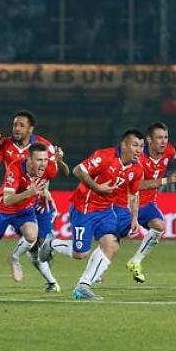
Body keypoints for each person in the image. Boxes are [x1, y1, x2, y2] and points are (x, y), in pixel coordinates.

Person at [40, 129, 145, 301]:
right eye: (135, 145)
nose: (139, 150)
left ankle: (83, 286)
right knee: (80, 254)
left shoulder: (137, 169)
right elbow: (77, 170)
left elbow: (133, 195)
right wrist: (97, 187)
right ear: (124, 145)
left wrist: (134, 217)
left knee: (111, 245)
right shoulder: (105, 156)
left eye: (141, 146)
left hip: (106, 211)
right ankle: (51, 244)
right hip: (84, 208)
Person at [0, 110, 69, 292]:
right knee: (32, 240)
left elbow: (59, 171)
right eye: (14, 125)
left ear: (30, 129)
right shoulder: (4, 144)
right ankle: (50, 280)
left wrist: (59, 164)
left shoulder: (44, 146)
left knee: (39, 245)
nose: (16, 128)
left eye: (21, 125)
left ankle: (47, 273)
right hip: (17, 199)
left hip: (39, 200)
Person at [0, 143, 58, 297]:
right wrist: (29, 193)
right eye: (39, 160)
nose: (43, 164)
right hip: (1, 210)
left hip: (24, 209)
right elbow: (7, 199)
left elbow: (46, 183)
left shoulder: (49, 168)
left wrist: (45, 195)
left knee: (31, 235)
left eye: (45, 159)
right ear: (28, 159)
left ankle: (14, 258)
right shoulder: (15, 168)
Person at [122, 122, 176, 283]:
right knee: (111, 239)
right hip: (128, 203)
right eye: (159, 138)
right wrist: (166, 180)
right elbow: (138, 185)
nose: (163, 141)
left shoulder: (168, 151)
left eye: (165, 137)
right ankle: (96, 273)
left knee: (160, 226)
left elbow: (173, 154)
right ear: (149, 141)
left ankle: (135, 261)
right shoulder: (139, 158)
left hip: (148, 204)